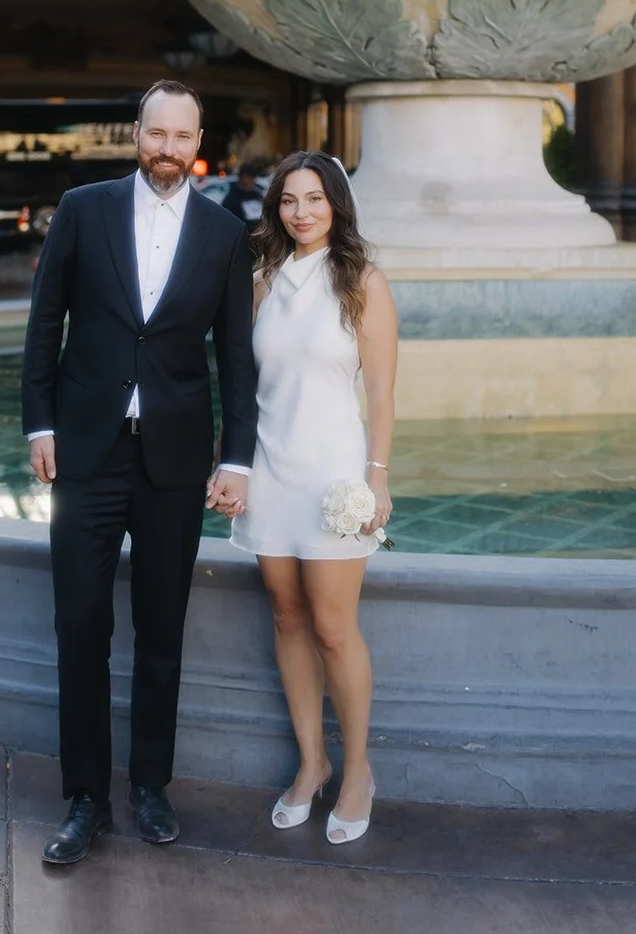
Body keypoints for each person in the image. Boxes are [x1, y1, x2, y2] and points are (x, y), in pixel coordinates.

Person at [22, 80, 257, 868]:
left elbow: (235, 357)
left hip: (174, 461)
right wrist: (40, 421)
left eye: (180, 137)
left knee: (162, 629)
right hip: (85, 454)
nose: (166, 149)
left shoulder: (227, 234)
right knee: (80, 624)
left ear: (198, 142)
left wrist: (235, 457)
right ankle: (85, 797)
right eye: (154, 133)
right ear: (136, 133)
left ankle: (151, 784)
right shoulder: (83, 209)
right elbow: (44, 319)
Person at [230, 151, 397, 846]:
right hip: (270, 469)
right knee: (286, 613)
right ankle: (311, 763)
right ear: (276, 210)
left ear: (337, 205)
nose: (301, 212)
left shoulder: (362, 281)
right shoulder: (262, 280)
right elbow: (244, 385)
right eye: (289, 201)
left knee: (333, 626)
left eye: (314, 199)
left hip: (333, 474)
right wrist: (231, 465)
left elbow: (382, 393)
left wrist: (376, 474)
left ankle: (356, 770)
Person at [221, 160, 265, 227]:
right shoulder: (232, 197)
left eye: (251, 177)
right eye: (246, 177)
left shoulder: (259, 195)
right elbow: (225, 218)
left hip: (258, 234)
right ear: (240, 178)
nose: (249, 180)